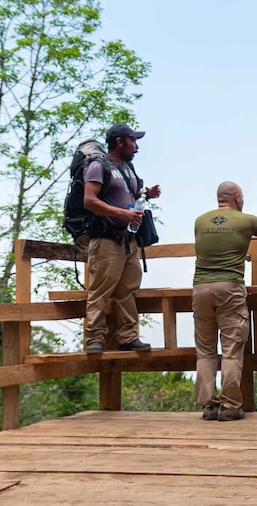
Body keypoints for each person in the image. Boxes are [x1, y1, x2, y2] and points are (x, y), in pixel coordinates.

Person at [193, 181, 257, 422]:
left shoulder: (200, 221)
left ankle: (208, 405)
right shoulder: (247, 220)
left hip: (200, 288)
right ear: (237, 196)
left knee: (205, 352)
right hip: (230, 287)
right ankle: (230, 406)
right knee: (231, 350)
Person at [83, 123, 161, 354]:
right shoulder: (98, 166)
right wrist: (123, 214)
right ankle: (94, 339)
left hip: (128, 241)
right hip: (106, 240)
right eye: (133, 141)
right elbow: (89, 200)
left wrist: (147, 194)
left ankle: (128, 337)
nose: (136, 146)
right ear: (119, 142)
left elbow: (129, 194)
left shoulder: (127, 168)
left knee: (127, 290)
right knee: (100, 290)